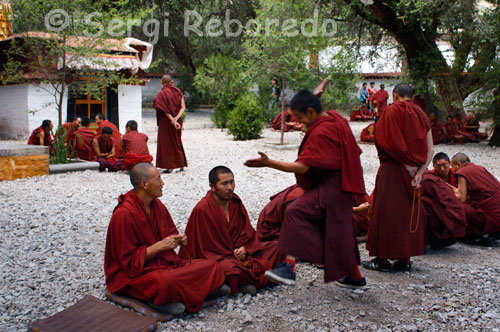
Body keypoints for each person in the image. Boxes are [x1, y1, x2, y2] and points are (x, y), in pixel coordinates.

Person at [245, 90, 367, 289]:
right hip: (343, 187)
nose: (301, 124)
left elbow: (303, 167)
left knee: (295, 211)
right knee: (339, 232)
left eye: (301, 118)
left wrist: (269, 163)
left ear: (311, 112)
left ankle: (288, 267)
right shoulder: (335, 119)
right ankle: (355, 278)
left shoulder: (321, 132)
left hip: (330, 187)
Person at [104, 163, 228, 315]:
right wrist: (159, 247)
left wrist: (179, 239)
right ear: (144, 184)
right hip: (137, 274)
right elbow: (127, 263)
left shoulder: (157, 205)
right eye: (158, 179)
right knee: (166, 281)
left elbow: (170, 233)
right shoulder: (124, 214)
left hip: (164, 264)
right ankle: (187, 293)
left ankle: (176, 295)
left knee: (212, 265)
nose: (162, 183)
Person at [180, 166, 285, 295]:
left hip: (242, 253)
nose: (230, 187)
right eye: (224, 184)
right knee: (230, 268)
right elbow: (200, 249)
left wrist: (246, 248)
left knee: (277, 247)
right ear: (212, 187)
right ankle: (249, 281)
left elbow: (248, 231)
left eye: (232, 182)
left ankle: (246, 281)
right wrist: (231, 254)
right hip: (219, 257)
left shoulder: (235, 202)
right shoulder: (202, 209)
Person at [363, 83, 433, 273]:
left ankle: (382, 261)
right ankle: (405, 261)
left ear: (394, 96)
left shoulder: (390, 112)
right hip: (415, 173)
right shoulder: (422, 115)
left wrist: (405, 165)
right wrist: (418, 173)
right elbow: (431, 150)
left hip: (393, 170)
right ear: (411, 96)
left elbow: (386, 143)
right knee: (407, 212)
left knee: (387, 212)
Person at [451, 153, 500, 246]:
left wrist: (447, 194)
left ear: (458, 164)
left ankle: (475, 234)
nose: (453, 171)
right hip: (496, 209)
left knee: (456, 205)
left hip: (492, 216)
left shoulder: (462, 172)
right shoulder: (480, 168)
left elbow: (462, 198)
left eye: (453, 167)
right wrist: (449, 187)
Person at [421, 170, 466, 249]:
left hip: (450, 225)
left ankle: (425, 241)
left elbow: (461, 198)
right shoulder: (434, 179)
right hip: (457, 221)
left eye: (444, 165)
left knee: (419, 204)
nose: (442, 169)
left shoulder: (426, 180)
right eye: (438, 166)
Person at [153, 75, 188, 173]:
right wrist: (176, 118)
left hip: (166, 122)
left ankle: (169, 167)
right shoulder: (178, 92)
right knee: (177, 141)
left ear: (161, 82)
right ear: (172, 82)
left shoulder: (162, 94)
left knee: (166, 143)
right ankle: (181, 165)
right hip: (178, 121)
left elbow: (164, 109)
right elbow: (183, 107)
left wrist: (172, 120)